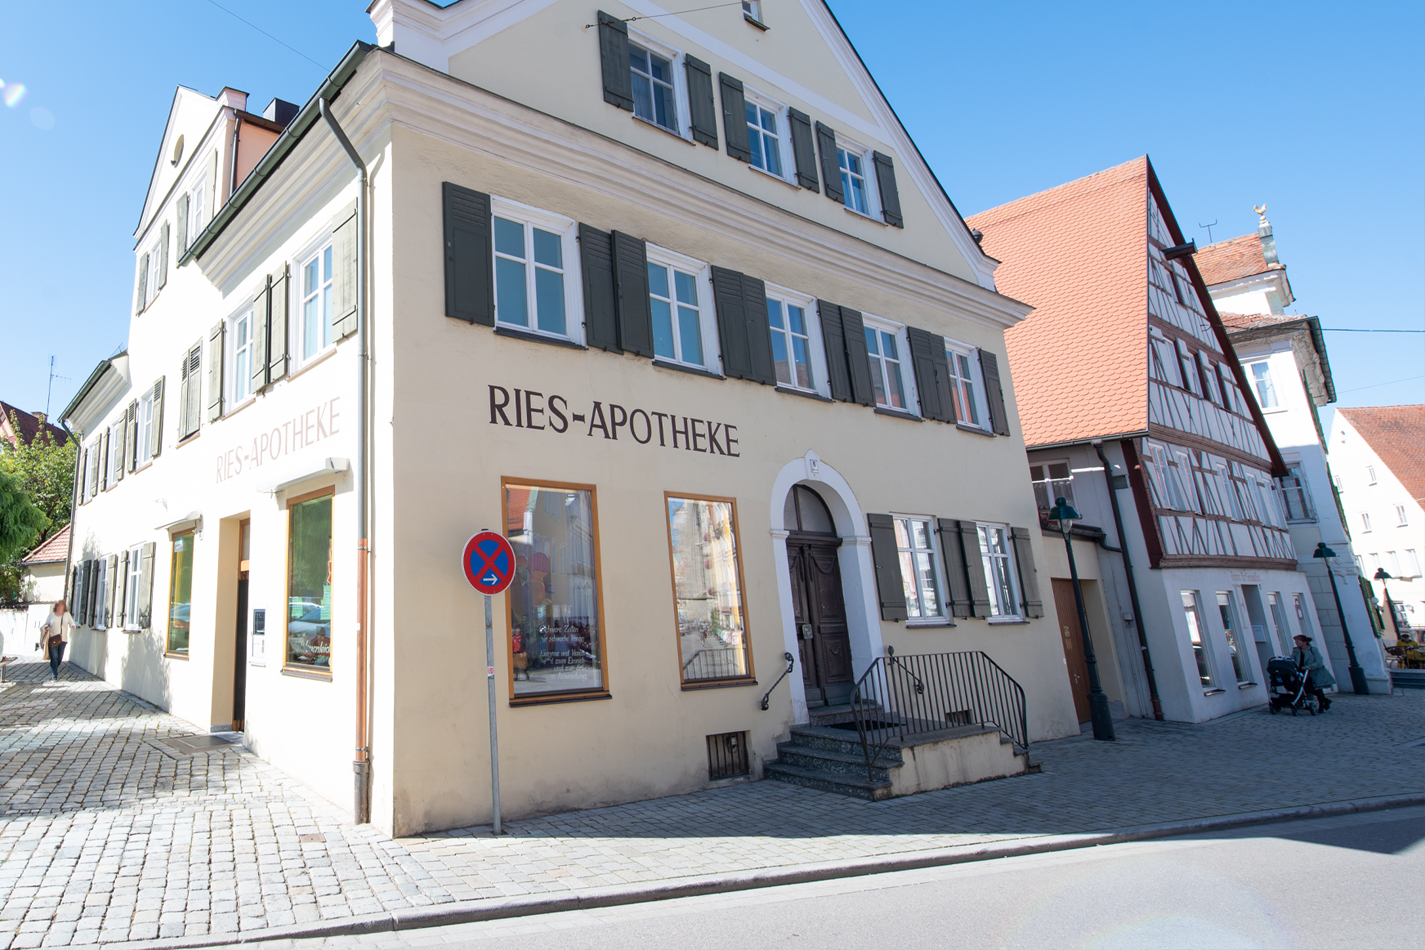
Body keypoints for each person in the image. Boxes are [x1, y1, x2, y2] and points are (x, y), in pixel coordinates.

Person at [1292, 634, 1335, 711]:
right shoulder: (1296, 650)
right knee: (1305, 688)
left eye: (1298, 641)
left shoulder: (1313, 650)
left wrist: (1310, 666)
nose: (1296, 643)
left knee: (1317, 689)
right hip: (1302, 672)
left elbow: (1319, 661)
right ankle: (1326, 701)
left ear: (1304, 642)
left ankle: (1321, 706)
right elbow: (1292, 660)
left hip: (1315, 672)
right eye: (1295, 641)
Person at [41, 600, 74, 682]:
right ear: (56, 607)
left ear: (64, 607)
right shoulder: (51, 615)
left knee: (59, 658)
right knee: (54, 657)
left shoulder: (66, 615)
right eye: (58, 606)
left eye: (61, 606)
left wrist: (73, 625)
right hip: (52, 639)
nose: (60, 607)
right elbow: (46, 624)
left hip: (63, 639)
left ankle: (54, 666)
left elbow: (71, 622)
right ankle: (54, 674)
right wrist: (46, 627)